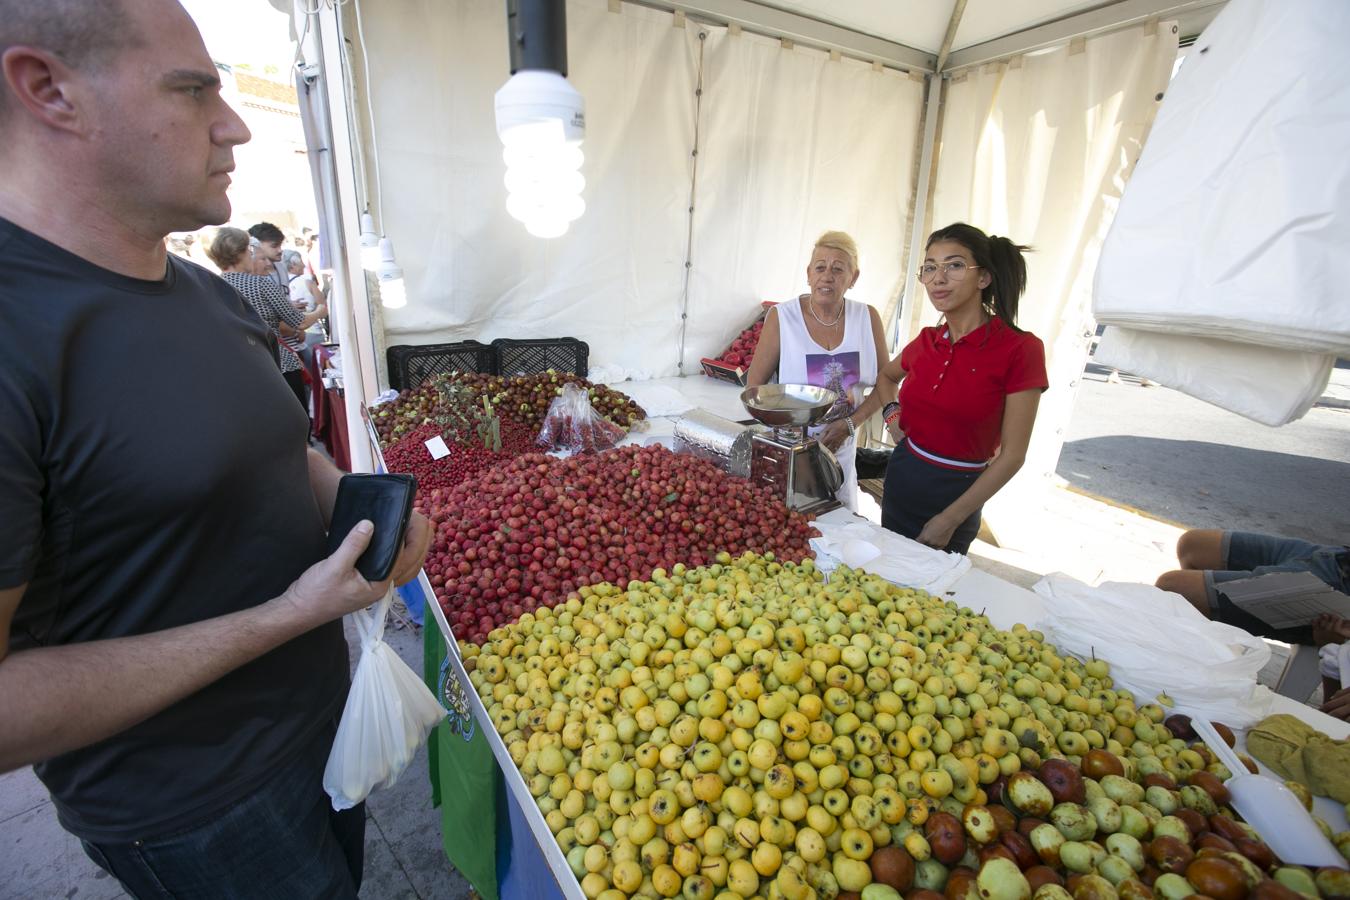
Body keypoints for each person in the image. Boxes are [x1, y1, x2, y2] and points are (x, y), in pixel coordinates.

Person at [0, 3, 431, 898]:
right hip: (191, 807)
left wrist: (366, 514)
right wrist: (288, 614)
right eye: (194, 91)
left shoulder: (211, 294)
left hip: (321, 720)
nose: (232, 125)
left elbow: (290, 450)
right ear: (48, 91)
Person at [844, 223, 1048, 553]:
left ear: (983, 278)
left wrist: (950, 519)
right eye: (929, 268)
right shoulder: (927, 340)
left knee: (933, 593)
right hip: (903, 476)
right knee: (887, 576)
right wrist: (892, 417)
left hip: (959, 492)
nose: (938, 278)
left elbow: (1012, 456)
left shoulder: (1020, 349)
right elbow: (886, 378)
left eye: (954, 265)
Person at [745, 231, 888, 510]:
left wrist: (849, 424)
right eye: (820, 267)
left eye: (838, 269)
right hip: (790, 452)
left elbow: (887, 384)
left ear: (853, 278)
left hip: (842, 449)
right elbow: (755, 386)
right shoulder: (783, 318)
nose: (827, 276)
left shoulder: (867, 318)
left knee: (840, 527)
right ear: (809, 274)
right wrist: (786, 437)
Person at [1155, 529, 1350, 645]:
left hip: (1333, 593)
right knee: (1191, 544)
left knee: (1170, 588)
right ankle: (1205, 640)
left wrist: (1334, 642)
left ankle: (1197, 656)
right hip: (1333, 558)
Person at [209, 228, 326, 412]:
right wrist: (320, 311)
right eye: (249, 251)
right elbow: (300, 322)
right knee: (295, 426)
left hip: (242, 369)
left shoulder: (212, 286)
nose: (251, 254)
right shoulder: (259, 283)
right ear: (239, 253)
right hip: (278, 363)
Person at [248, 220, 288, 291]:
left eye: (280, 245)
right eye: (274, 246)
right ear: (257, 244)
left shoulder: (281, 267)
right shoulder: (251, 273)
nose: (280, 250)